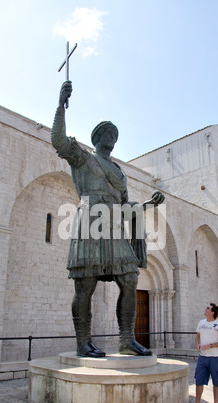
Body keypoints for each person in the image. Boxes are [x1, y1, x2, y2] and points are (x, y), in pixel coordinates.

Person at [51, 81, 164, 358]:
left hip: (113, 225)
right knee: (85, 285)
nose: (112, 136)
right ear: (97, 138)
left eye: (115, 133)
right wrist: (60, 106)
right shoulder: (85, 160)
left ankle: (126, 339)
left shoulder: (119, 172)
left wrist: (147, 205)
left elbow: (125, 205)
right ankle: (83, 342)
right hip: (91, 221)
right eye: (107, 132)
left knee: (129, 278)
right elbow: (59, 141)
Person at [185, 303, 218, 403]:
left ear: (212, 312)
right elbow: (198, 336)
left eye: (208, 308)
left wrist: (211, 346)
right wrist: (197, 344)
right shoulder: (201, 323)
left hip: (215, 358)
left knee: (216, 381)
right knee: (199, 380)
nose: (205, 309)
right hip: (202, 357)